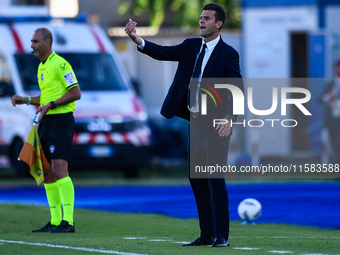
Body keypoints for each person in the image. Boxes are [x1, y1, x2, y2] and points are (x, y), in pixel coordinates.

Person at [125, 3, 242, 247]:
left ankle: (222, 236)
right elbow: (162, 52)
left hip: (217, 123)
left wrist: (230, 118)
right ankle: (207, 233)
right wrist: (137, 39)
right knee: (196, 178)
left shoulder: (228, 53)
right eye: (200, 17)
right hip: (196, 122)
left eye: (207, 18)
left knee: (215, 178)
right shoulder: (190, 46)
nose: (201, 21)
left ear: (218, 24)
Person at [11, 28, 81, 233]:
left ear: (47, 42)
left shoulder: (61, 64)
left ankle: (68, 222)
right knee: (48, 172)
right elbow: (45, 98)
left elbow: (75, 92)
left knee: (60, 170)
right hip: (46, 122)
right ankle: (55, 221)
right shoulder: (41, 67)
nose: (31, 45)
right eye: (31, 41)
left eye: (35, 41)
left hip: (61, 121)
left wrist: (51, 105)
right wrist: (26, 100)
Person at [318, 60, 340, 162]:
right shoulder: (330, 85)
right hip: (331, 122)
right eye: (336, 68)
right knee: (334, 148)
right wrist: (329, 97)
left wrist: (338, 104)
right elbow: (319, 100)